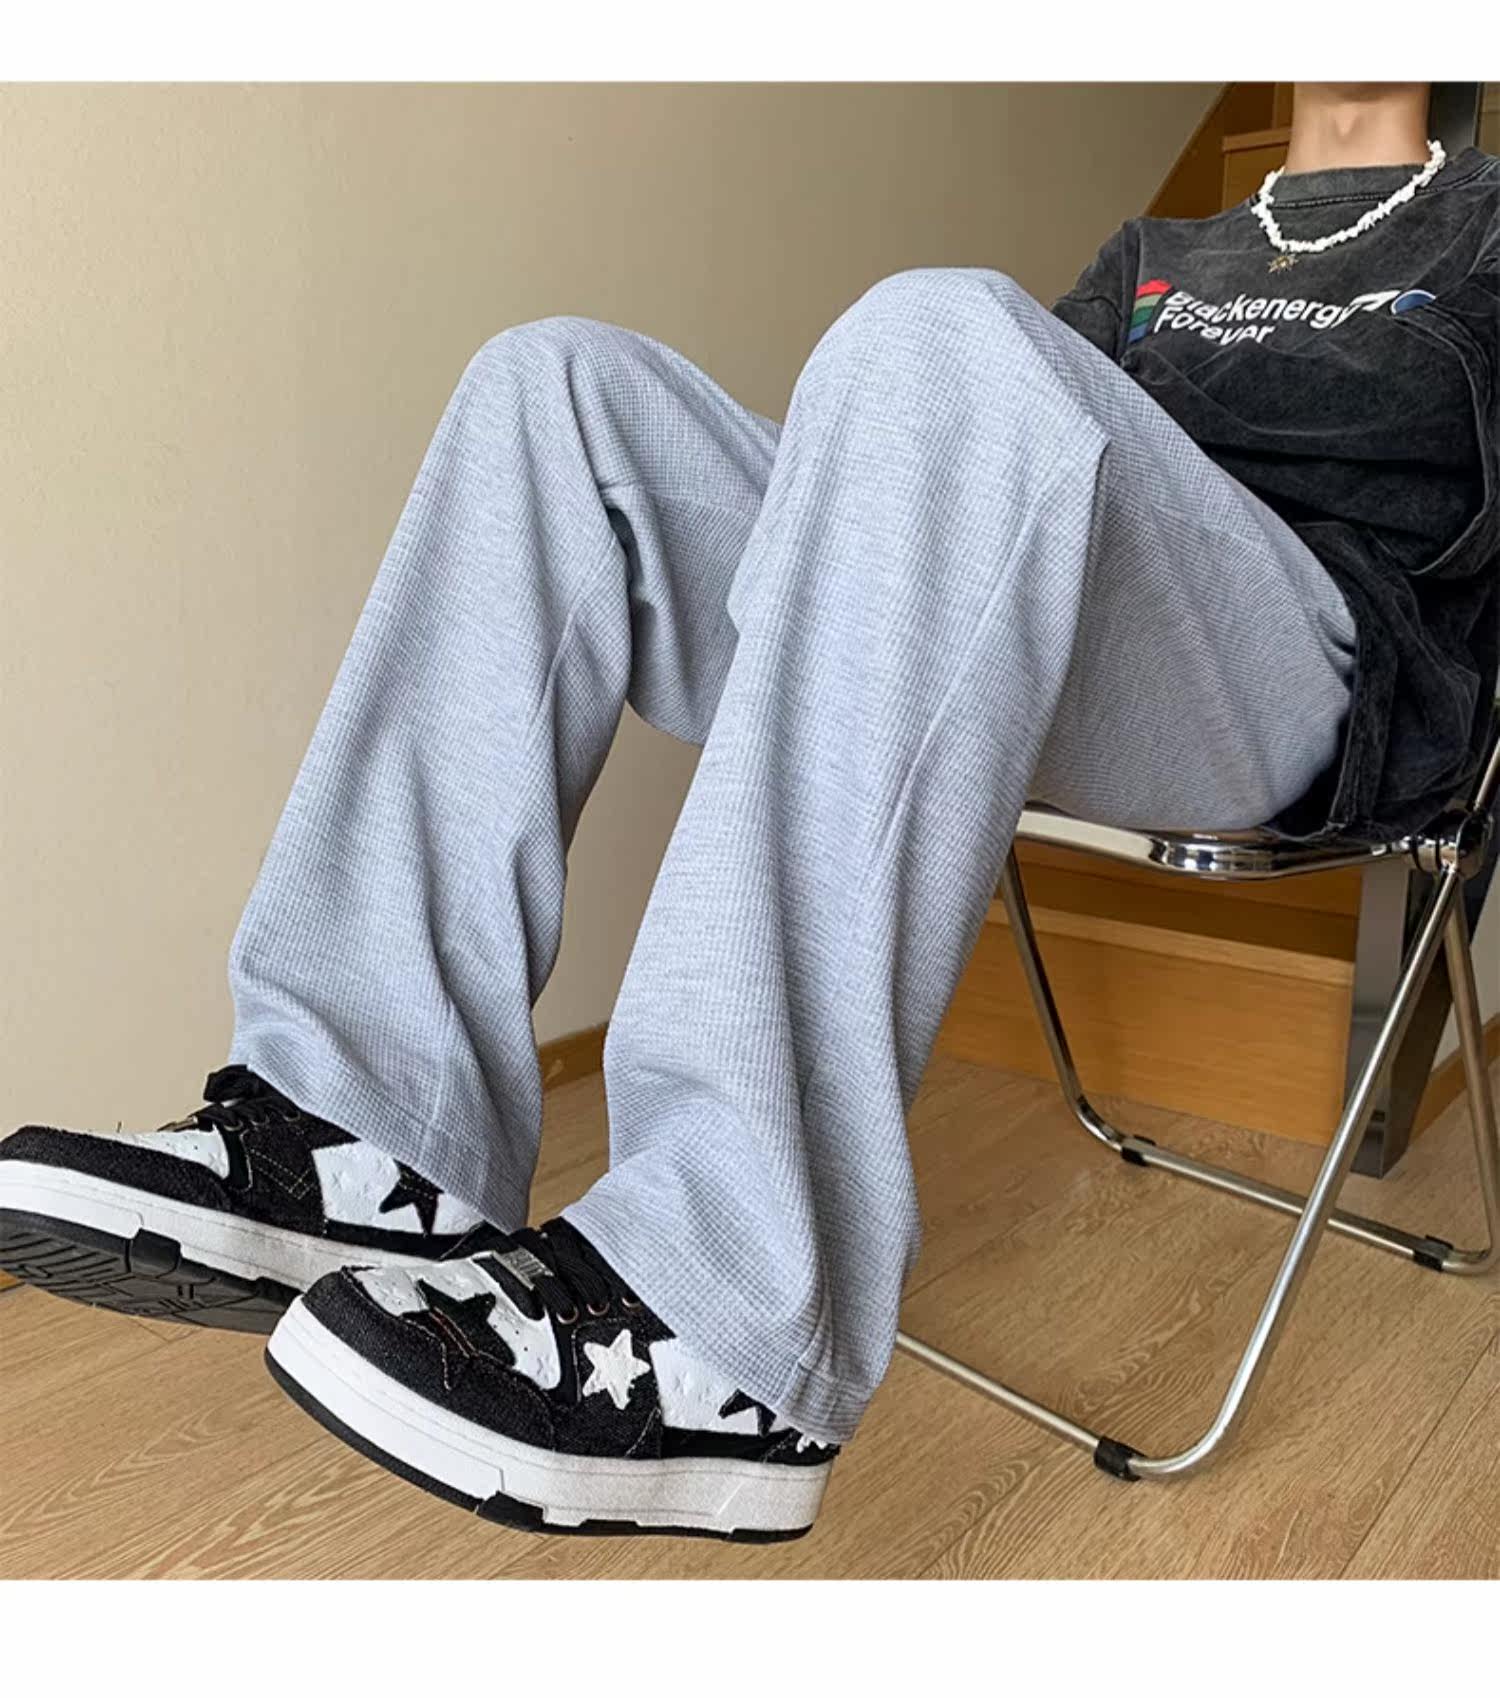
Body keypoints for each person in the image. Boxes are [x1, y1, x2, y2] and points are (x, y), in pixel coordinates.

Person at [3, 83, 1496, 1543]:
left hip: (1314, 655)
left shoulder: (1482, 222)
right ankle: (366, 1123)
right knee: (554, 389)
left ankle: (723, 1299)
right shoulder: (1160, 248)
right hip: (1072, 618)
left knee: (936, 330)